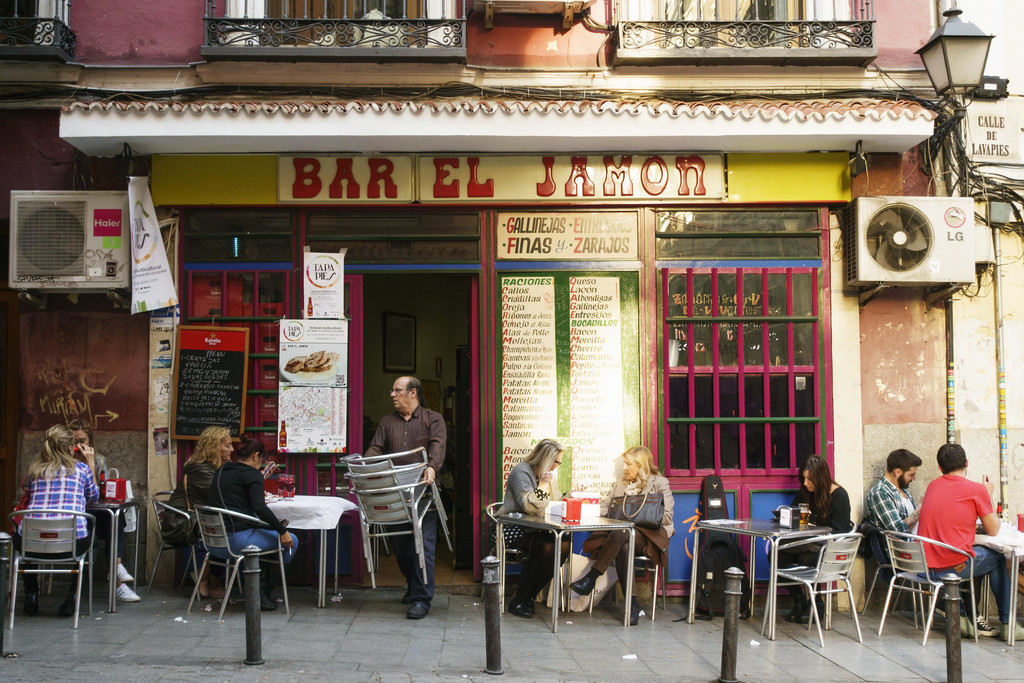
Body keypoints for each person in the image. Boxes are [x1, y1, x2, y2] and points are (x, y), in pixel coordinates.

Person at [917, 443, 1024, 641]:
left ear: (940, 468)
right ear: (966, 463)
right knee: (998, 558)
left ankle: (965, 614)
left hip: (924, 566)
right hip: (950, 569)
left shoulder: (932, 486)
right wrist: (987, 495)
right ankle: (1008, 624)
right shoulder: (976, 490)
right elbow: (993, 530)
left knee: (979, 555)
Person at [364, 376, 446, 620]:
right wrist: (367, 465)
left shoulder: (433, 419)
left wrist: (432, 467)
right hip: (395, 492)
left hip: (423, 491)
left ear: (413, 393)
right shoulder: (387, 422)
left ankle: (422, 598)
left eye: (397, 390)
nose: (392, 394)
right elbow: (376, 448)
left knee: (423, 545)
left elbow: (437, 446)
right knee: (401, 546)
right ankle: (412, 584)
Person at [569, 446, 674, 625]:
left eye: (628, 464)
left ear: (641, 465)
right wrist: (582, 506)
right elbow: (608, 509)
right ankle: (632, 605)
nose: (624, 468)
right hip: (623, 538)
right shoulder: (620, 485)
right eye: (624, 463)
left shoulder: (659, 483)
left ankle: (591, 578)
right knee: (624, 542)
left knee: (624, 531)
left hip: (649, 536)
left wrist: (637, 515)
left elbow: (667, 516)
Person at [15, 424, 99, 617]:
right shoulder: (82, 469)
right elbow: (93, 497)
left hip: (33, 546)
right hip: (71, 546)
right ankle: (73, 597)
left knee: (23, 537)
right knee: (90, 545)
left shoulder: (36, 471)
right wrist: (91, 464)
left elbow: (27, 490)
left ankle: (31, 593)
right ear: (71, 448)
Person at [206, 436, 297, 611]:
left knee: (266, 540)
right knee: (291, 540)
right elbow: (259, 507)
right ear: (256, 456)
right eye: (261, 462)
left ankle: (260, 591)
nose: (261, 466)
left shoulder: (222, 470)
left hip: (214, 543)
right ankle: (263, 590)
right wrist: (282, 530)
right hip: (238, 541)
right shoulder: (252, 474)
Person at [69, 418, 140, 603]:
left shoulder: (99, 459)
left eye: (81, 441)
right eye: (74, 441)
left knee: (115, 517)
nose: (77, 445)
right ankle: (118, 582)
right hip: (73, 517)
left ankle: (117, 569)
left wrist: (91, 462)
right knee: (108, 519)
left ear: (90, 442)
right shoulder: (64, 462)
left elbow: (95, 493)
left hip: (93, 512)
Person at [496, 438, 569, 619]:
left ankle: (529, 596)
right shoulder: (522, 472)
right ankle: (519, 599)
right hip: (512, 528)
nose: (557, 466)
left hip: (537, 529)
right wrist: (543, 485)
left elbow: (554, 501)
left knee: (564, 544)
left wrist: (568, 497)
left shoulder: (548, 475)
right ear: (546, 459)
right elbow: (528, 506)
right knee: (544, 546)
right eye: (556, 461)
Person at [779, 455, 852, 624]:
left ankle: (817, 602)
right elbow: (793, 512)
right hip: (806, 544)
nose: (805, 484)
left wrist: (813, 530)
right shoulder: (806, 492)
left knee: (807, 558)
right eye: (803, 479)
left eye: (810, 480)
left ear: (821, 478)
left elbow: (839, 531)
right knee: (776, 556)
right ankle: (799, 599)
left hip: (828, 548)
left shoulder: (839, 495)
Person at [163, 424, 233, 598]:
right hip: (182, 523)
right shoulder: (199, 468)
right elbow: (221, 494)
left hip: (198, 520)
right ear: (213, 447)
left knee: (226, 527)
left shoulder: (216, 467)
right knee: (225, 529)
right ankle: (211, 580)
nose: (232, 449)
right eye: (227, 445)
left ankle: (205, 576)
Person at [864, 448, 922, 569]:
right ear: (897, 472)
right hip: (902, 554)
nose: (914, 478)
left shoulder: (902, 490)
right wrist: (920, 510)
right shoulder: (880, 493)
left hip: (916, 546)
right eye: (911, 474)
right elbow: (898, 531)